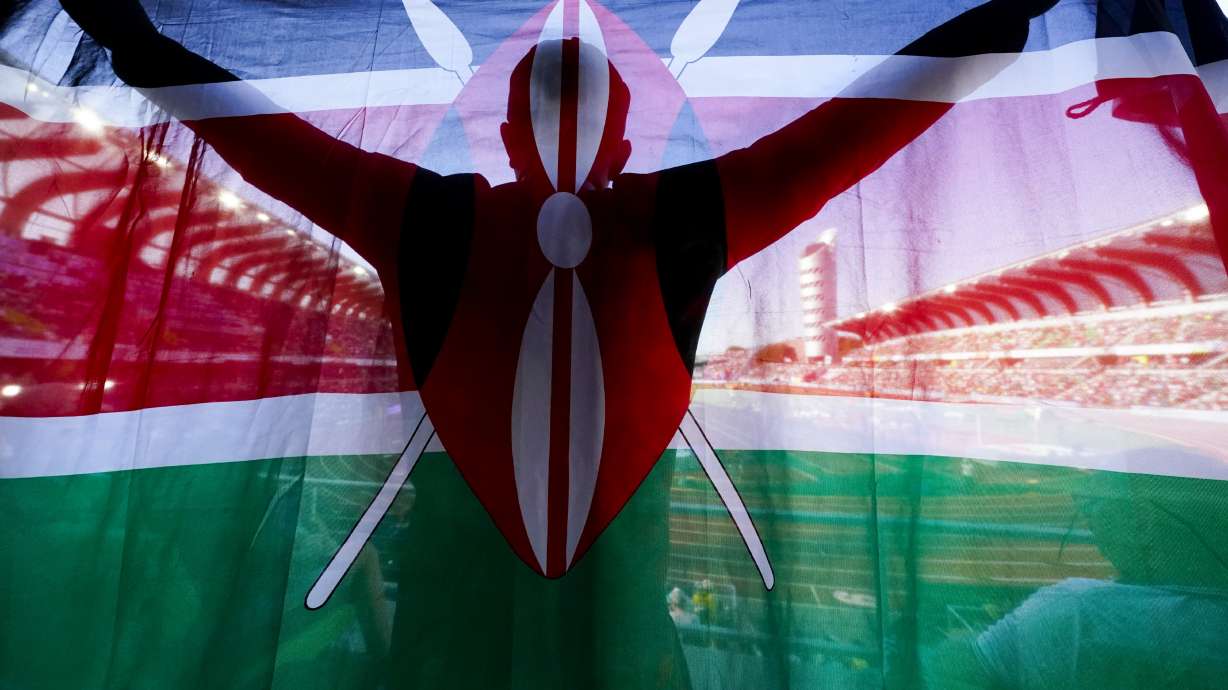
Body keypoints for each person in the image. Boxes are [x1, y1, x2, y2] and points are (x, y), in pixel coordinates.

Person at [59, 0, 1055, 577]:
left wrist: (136, 43)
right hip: (618, 607)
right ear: (627, 142)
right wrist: (1008, 15)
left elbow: (256, 132)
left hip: (448, 595)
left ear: (498, 136)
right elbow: (856, 126)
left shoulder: (422, 217)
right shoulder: (679, 218)